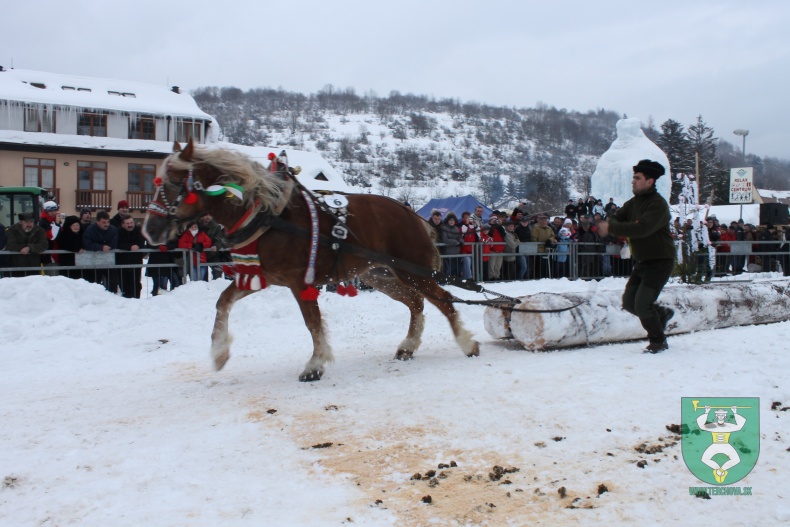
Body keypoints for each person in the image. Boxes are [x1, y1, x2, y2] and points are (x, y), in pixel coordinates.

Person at [596, 160, 676, 353]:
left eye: (637, 178)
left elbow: (643, 228)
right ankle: (662, 314)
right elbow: (616, 216)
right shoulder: (633, 203)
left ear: (650, 181)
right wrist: (613, 223)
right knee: (629, 303)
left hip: (660, 260)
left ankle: (658, 340)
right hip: (642, 260)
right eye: (633, 178)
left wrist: (612, 227)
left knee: (642, 304)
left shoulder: (657, 204)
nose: (633, 181)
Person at [83, 210, 119, 291]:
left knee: (112, 284)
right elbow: (87, 243)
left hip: (109, 262)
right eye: (104, 222)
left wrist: (108, 246)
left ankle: (113, 299)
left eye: (107, 222)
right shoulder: (90, 230)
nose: (106, 224)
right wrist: (100, 247)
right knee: (95, 285)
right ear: (98, 222)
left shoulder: (112, 229)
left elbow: (115, 241)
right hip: (94, 262)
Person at [5, 212, 49, 276]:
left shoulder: (40, 230)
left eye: (31, 222)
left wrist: (29, 248)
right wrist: (24, 248)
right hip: (16, 267)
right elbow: (11, 245)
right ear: (21, 222)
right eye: (26, 222)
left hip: (34, 266)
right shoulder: (12, 230)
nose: (29, 224)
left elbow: (44, 244)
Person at [116, 215, 147, 298]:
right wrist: (130, 247)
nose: (130, 225)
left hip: (136, 261)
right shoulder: (119, 231)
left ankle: (137, 299)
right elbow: (118, 244)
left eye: (131, 222)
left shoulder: (138, 230)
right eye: (127, 223)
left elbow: (141, 243)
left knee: (136, 283)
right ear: (123, 224)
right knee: (124, 284)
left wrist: (137, 247)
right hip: (122, 262)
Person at [55, 215, 85, 279]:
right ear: (69, 226)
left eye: (77, 225)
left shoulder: (83, 234)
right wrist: (76, 249)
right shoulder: (64, 234)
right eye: (73, 225)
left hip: (81, 264)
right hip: (67, 264)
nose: (76, 227)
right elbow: (64, 244)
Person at [198, 213, 225, 280]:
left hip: (212, 253)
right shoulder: (197, 225)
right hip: (200, 253)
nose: (208, 217)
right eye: (206, 215)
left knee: (217, 270)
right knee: (202, 274)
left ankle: (216, 284)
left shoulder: (216, 227)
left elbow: (219, 239)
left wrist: (216, 246)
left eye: (210, 215)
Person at [530, 214, 556, 279]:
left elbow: (553, 236)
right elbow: (533, 238)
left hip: (547, 249)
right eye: (543, 221)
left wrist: (550, 240)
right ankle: (538, 277)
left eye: (546, 220)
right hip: (539, 250)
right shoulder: (536, 228)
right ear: (540, 221)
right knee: (539, 265)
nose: (545, 222)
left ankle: (546, 277)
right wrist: (537, 246)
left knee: (547, 264)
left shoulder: (549, 228)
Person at [438, 211, 463, 277]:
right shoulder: (444, 228)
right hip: (448, 253)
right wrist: (456, 242)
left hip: (456, 253)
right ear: (447, 220)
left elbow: (459, 237)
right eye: (450, 220)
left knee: (457, 269)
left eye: (453, 220)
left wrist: (461, 242)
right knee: (449, 270)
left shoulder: (456, 228)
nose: (451, 221)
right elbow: (445, 239)